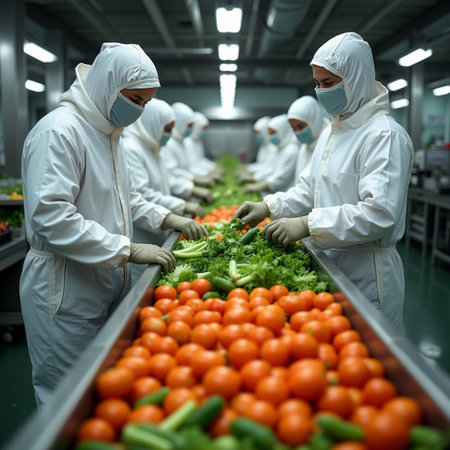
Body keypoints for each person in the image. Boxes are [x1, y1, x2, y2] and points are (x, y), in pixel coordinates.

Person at [20, 42, 206, 406]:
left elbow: (129, 200)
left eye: (144, 103)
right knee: (65, 398)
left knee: (99, 390)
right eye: (134, 99)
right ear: (108, 85)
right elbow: (51, 217)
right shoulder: (60, 132)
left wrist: (166, 216)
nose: (138, 109)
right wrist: (127, 248)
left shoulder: (107, 134)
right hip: (64, 285)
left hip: (103, 278)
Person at [235, 32, 414, 329]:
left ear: (356, 78)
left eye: (329, 83)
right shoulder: (333, 133)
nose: (321, 91)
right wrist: (269, 206)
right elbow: (309, 189)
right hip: (329, 263)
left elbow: (379, 214)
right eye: (317, 83)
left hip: (367, 273)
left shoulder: (384, 135)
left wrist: (307, 224)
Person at [121, 98, 205, 283]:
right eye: (167, 129)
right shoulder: (131, 148)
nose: (169, 134)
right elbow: (142, 195)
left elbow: (166, 182)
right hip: (142, 234)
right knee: (140, 281)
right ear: (153, 123)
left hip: (157, 229)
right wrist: (177, 209)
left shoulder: (153, 147)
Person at [161, 102, 213, 202]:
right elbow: (171, 174)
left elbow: (190, 166)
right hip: (176, 197)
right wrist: (194, 183)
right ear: (180, 123)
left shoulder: (182, 141)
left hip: (184, 193)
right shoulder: (168, 143)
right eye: (189, 126)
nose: (190, 129)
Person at [241, 114, 299, 194]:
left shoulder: (291, 150)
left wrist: (256, 181)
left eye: (273, 133)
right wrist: (249, 170)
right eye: (270, 133)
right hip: (276, 194)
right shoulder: (279, 148)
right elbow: (269, 167)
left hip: (285, 193)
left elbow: (280, 177)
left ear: (282, 131)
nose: (271, 136)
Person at [287, 96, 330, 182]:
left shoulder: (328, 144)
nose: (297, 132)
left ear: (314, 121)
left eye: (300, 126)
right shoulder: (305, 147)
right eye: (293, 128)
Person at [184, 112, 224, 184]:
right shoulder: (187, 142)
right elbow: (191, 167)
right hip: (190, 181)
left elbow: (200, 160)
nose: (204, 131)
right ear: (196, 127)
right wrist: (207, 173)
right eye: (203, 128)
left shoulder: (197, 141)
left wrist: (213, 167)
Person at [236, 116, 277, 183]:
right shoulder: (264, 145)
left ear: (265, 131)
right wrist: (248, 168)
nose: (257, 135)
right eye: (256, 133)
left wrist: (254, 177)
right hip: (263, 181)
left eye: (259, 133)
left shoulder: (273, 147)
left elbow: (269, 169)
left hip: (269, 182)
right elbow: (261, 165)